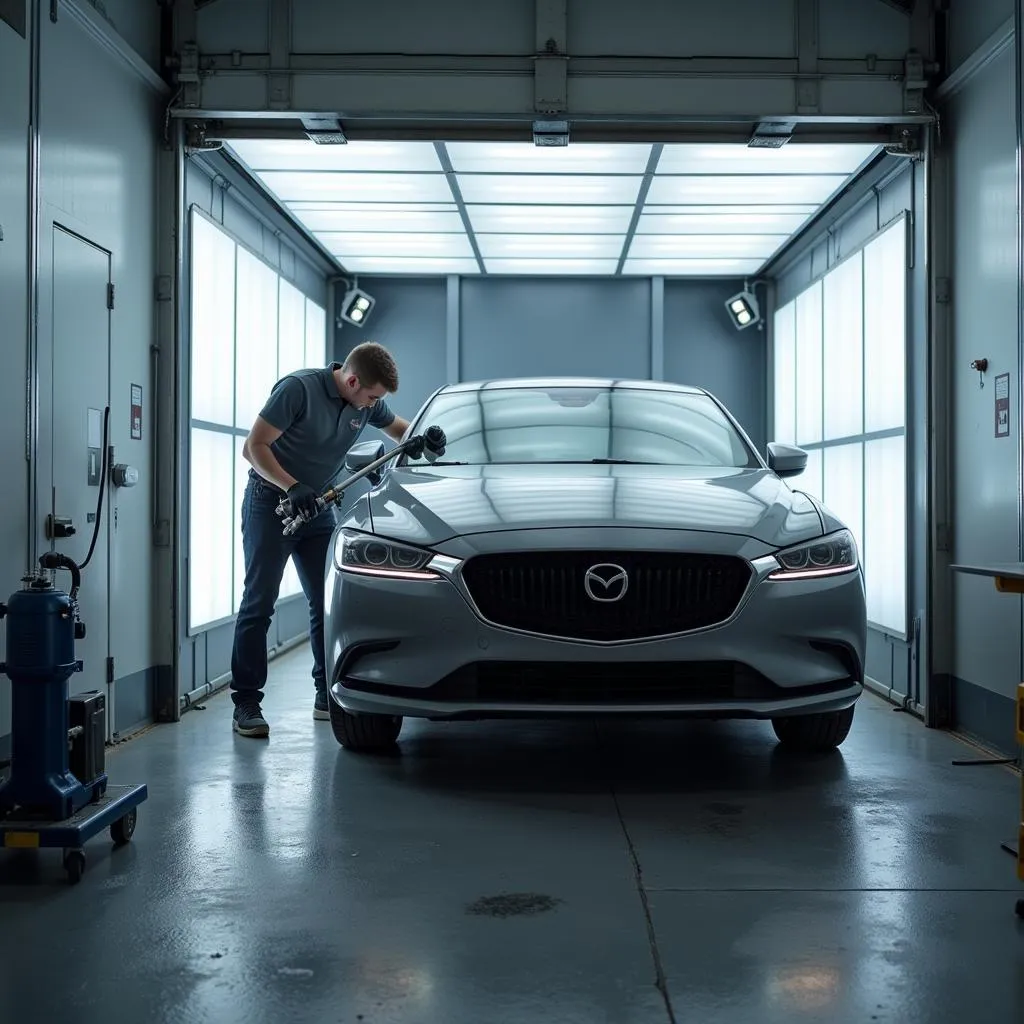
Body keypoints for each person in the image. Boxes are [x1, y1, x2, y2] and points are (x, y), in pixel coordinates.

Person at [229, 342, 411, 738]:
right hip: (271, 502)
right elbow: (253, 446)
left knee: (326, 602)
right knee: (259, 601)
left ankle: (324, 694)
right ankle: (246, 702)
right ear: (352, 380)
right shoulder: (298, 389)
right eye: (371, 397)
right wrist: (291, 485)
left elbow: (401, 430)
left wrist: (427, 439)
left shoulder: (366, 402)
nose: (373, 406)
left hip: (317, 509)